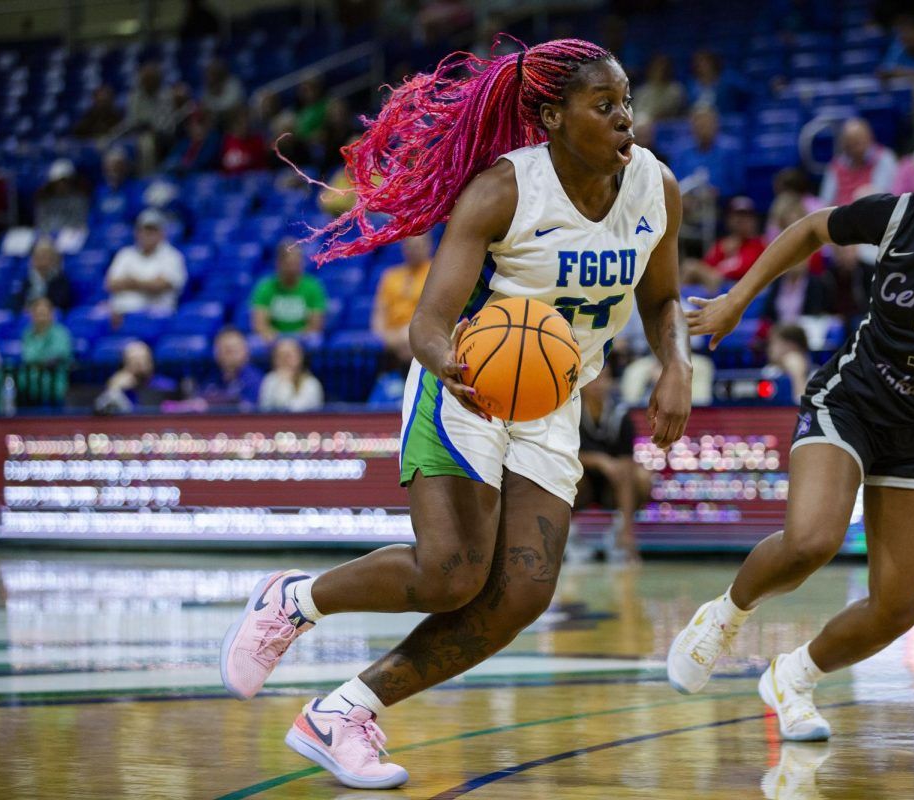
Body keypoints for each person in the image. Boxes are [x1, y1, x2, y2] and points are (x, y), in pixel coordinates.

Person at [218, 37, 691, 787]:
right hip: (467, 381)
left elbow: (662, 295)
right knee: (451, 574)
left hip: (552, 397)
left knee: (522, 593)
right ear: (552, 115)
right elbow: (429, 324)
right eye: (606, 105)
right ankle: (295, 599)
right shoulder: (503, 190)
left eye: (627, 103)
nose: (627, 119)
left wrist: (677, 364)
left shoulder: (657, 188)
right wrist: (453, 367)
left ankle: (342, 711)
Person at [666, 21, 914, 742]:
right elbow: (813, 228)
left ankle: (792, 678)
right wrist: (735, 298)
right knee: (812, 539)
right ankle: (723, 616)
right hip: (850, 402)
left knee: (897, 608)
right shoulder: (897, 216)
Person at [573, 364, 651, 562]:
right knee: (563, 473)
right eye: (594, 377)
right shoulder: (572, 411)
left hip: (613, 484)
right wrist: (600, 461)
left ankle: (620, 533)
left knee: (642, 478)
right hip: (582, 481)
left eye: (604, 378)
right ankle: (566, 533)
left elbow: (626, 466)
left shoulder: (621, 415)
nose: (599, 383)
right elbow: (564, 454)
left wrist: (628, 531)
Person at [105, 209, 187, 319]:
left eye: (152, 231)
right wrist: (145, 283)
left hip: (155, 315)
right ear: (136, 233)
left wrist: (130, 281)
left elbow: (160, 285)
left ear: (161, 233)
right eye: (143, 230)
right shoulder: (125, 254)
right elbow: (111, 284)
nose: (147, 235)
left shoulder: (172, 256)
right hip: (121, 313)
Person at [370, 233, 431, 368]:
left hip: (423, 333)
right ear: (403, 248)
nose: (414, 250)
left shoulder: (435, 272)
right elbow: (379, 316)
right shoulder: (390, 276)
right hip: (395, 336)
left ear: (428, 246)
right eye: (410, 246)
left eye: (418, 246)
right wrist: (386, 337)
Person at [681, 196, 765, 292]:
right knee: (690, 268)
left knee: (692, 267)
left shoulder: (759, 244)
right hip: (715, 286)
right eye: (737, 215)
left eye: (746, 216)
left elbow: (745, 271)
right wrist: (724, 253)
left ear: (754, 220)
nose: (741, 220)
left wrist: (718, 272)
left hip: (739, 288)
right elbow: (707, 265)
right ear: (729, 219)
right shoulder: (721, 245)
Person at [250, 241, 327, 343]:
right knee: (255, 342)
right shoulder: (265, 287)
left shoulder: (313, 287)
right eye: (289, 264)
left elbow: (315, 324)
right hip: (274, 338)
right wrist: (274, 337)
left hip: (302, 338)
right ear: (278, 264)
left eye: (296, 263)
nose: (292, 269)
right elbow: (259, 324)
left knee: (315, 340)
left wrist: (295, 339)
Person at [818, 118, 897, 207]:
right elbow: (825, 202)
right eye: (852, 143)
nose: (857, 148)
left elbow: (885, 196)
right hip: (841, 216)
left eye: (859, 141)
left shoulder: (884, 158)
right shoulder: (836, 166)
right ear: (845, 145)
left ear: (869, 138)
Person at [95, 340, 177, 413]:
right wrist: (114, 389)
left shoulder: (166, 385)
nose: (139, 364)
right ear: (125, 364)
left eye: (143, 358)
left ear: (151, 361)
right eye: (133, 359)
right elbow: (100, 410)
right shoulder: (119, 385)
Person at [19, 297, 72, 404]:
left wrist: (38, 361)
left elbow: (56, 356)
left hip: (52, 383)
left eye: (44, 313)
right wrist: (39, 360)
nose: (41, 317)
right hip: (27, 384)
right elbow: (28, 357)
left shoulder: (60, 333)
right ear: (32, 315)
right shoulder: (27, 334)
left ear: (51, 314)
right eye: (38, 313)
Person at [200, 327, 263, 408]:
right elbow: (200, 403)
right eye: (225, 350)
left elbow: (247, 409)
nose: (229, 355)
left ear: (245, 351)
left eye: (233, 350)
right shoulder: (211, 377)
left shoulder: (255, 379)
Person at [259, 337, 323, 411]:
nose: (285, 360)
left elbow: (295, 412)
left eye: (289, 355)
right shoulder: (269, 380)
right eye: (280, 355)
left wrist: (285, 384)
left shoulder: (311, 383)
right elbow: (263, 410)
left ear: (300, 357)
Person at [12, 238, 73, 313]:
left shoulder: (60, 280)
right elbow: (17, 303)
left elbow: (60, 303)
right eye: (37, 257)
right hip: (27, 316)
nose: (40, 260)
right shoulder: (27, 279)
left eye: (44, 256)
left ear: (53, 259)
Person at [34, 159, 90, 234]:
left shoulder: (79, 200)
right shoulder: (45, 200)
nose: (61, 185)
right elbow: (41, 223)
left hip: (72, 235)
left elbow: (80, 222)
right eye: (58, 182)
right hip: (49, 236)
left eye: (64, 181)